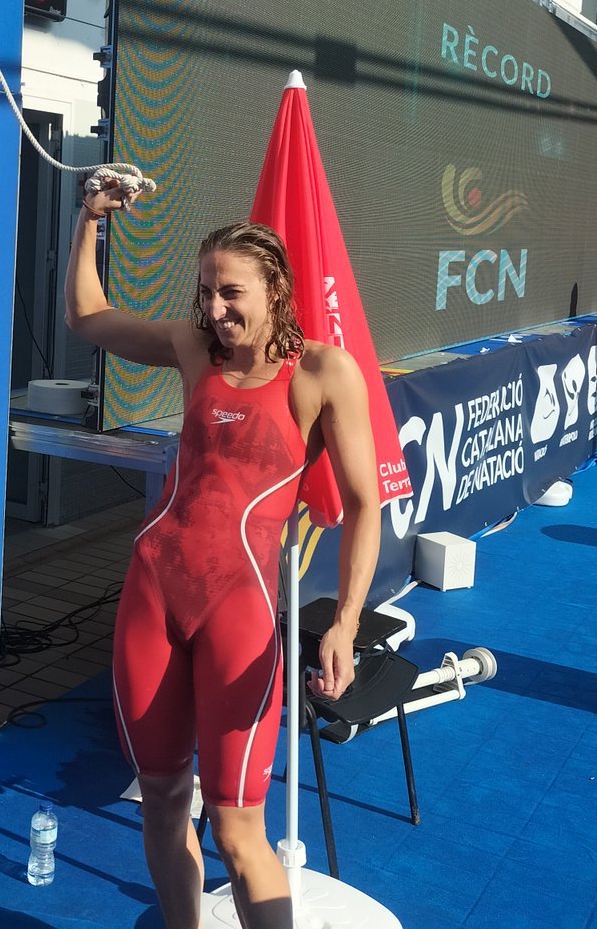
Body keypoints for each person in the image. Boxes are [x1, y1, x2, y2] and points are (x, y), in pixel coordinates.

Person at [65, 181, 381, 929]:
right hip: (151, 597)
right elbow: (87, 316)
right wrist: (88, 220)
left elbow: (367, 505)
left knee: (240, 829)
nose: (213, 310)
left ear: (276, 289)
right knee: (165, 800)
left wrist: (344, 623)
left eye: (231, 293)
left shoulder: (321, 373)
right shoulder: (190, 348)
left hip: (239, 614)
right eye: (204, 291)